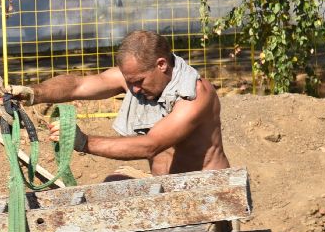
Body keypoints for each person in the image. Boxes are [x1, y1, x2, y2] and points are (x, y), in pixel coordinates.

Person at [26, 30, 229, 176]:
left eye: (139, 82)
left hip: (207, 188)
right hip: (168, 188)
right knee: (113, 182)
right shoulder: (137, 77)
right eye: (128, 82)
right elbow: (77, 86)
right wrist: (33, 93)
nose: (134, 90)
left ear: (161, 64)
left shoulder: (193, 95)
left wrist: (82, 142)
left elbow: (150, 146)